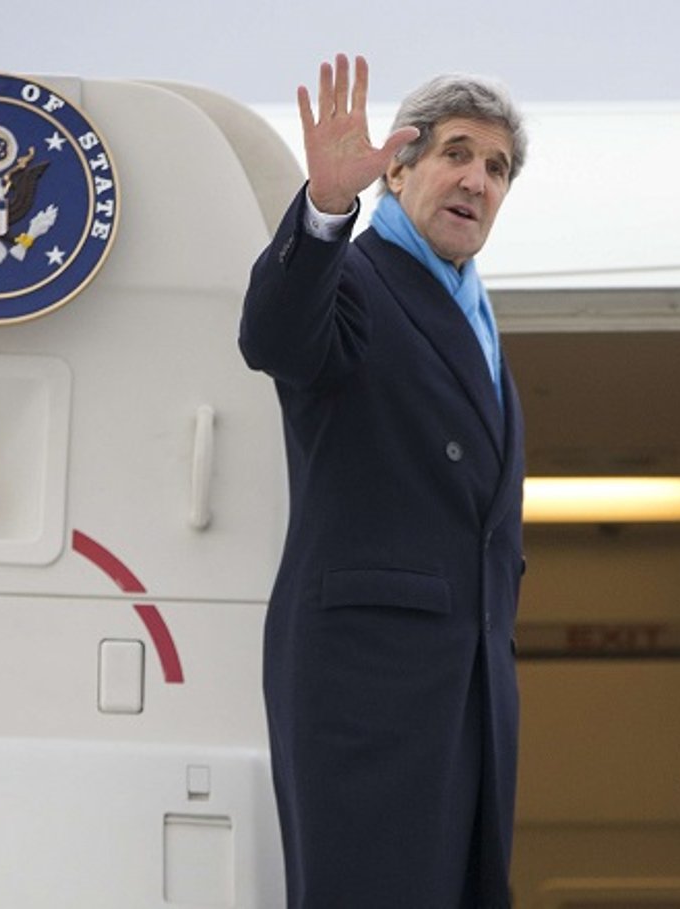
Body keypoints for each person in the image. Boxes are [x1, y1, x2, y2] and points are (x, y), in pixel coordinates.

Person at [239, 54, 528, 908]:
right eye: (456, 153)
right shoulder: (358, 277)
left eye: (497, 167)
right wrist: (327, 208)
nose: (477, 178)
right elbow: (276, 338)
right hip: (367, 688)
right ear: (397, 169)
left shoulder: (470, 308)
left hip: (465, 689)